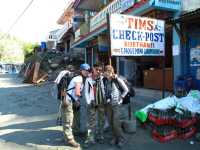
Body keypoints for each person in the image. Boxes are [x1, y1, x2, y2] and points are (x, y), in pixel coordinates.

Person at [61, 63, 90, 147]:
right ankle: (69, 139)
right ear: (81, 70)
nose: (87, 72)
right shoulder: (79, 78)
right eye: (85, 70)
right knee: (68, 120)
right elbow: (77, 92)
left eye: (88, 70)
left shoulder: (82, 78)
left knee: (76, 117)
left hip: (73, 100)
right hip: (68, 101)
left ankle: (76, 132)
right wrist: (78, 99)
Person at [103, 65, 129, 147]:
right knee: (110, 123)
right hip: (108, 104)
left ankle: (121, 139)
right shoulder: (105, 80)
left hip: (116, 105)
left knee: (116, 124)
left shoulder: (117, 79)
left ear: (111, 72)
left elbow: (126, 90)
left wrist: (121, 98)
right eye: (106, 72)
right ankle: (114, 138)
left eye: (108, 72)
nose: (107, 74)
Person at [84, 64, 105, 146]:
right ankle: (90, 138)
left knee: (101, 120)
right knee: (91, 121)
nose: (99, 71)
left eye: (100, 70)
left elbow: (104, 89)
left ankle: (100, 136)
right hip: (92, 102)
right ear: (93, 69)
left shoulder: (102, 78)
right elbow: (86, 91)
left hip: (101, 102)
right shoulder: (88, 79)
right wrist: (88, 101)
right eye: (97, 69)